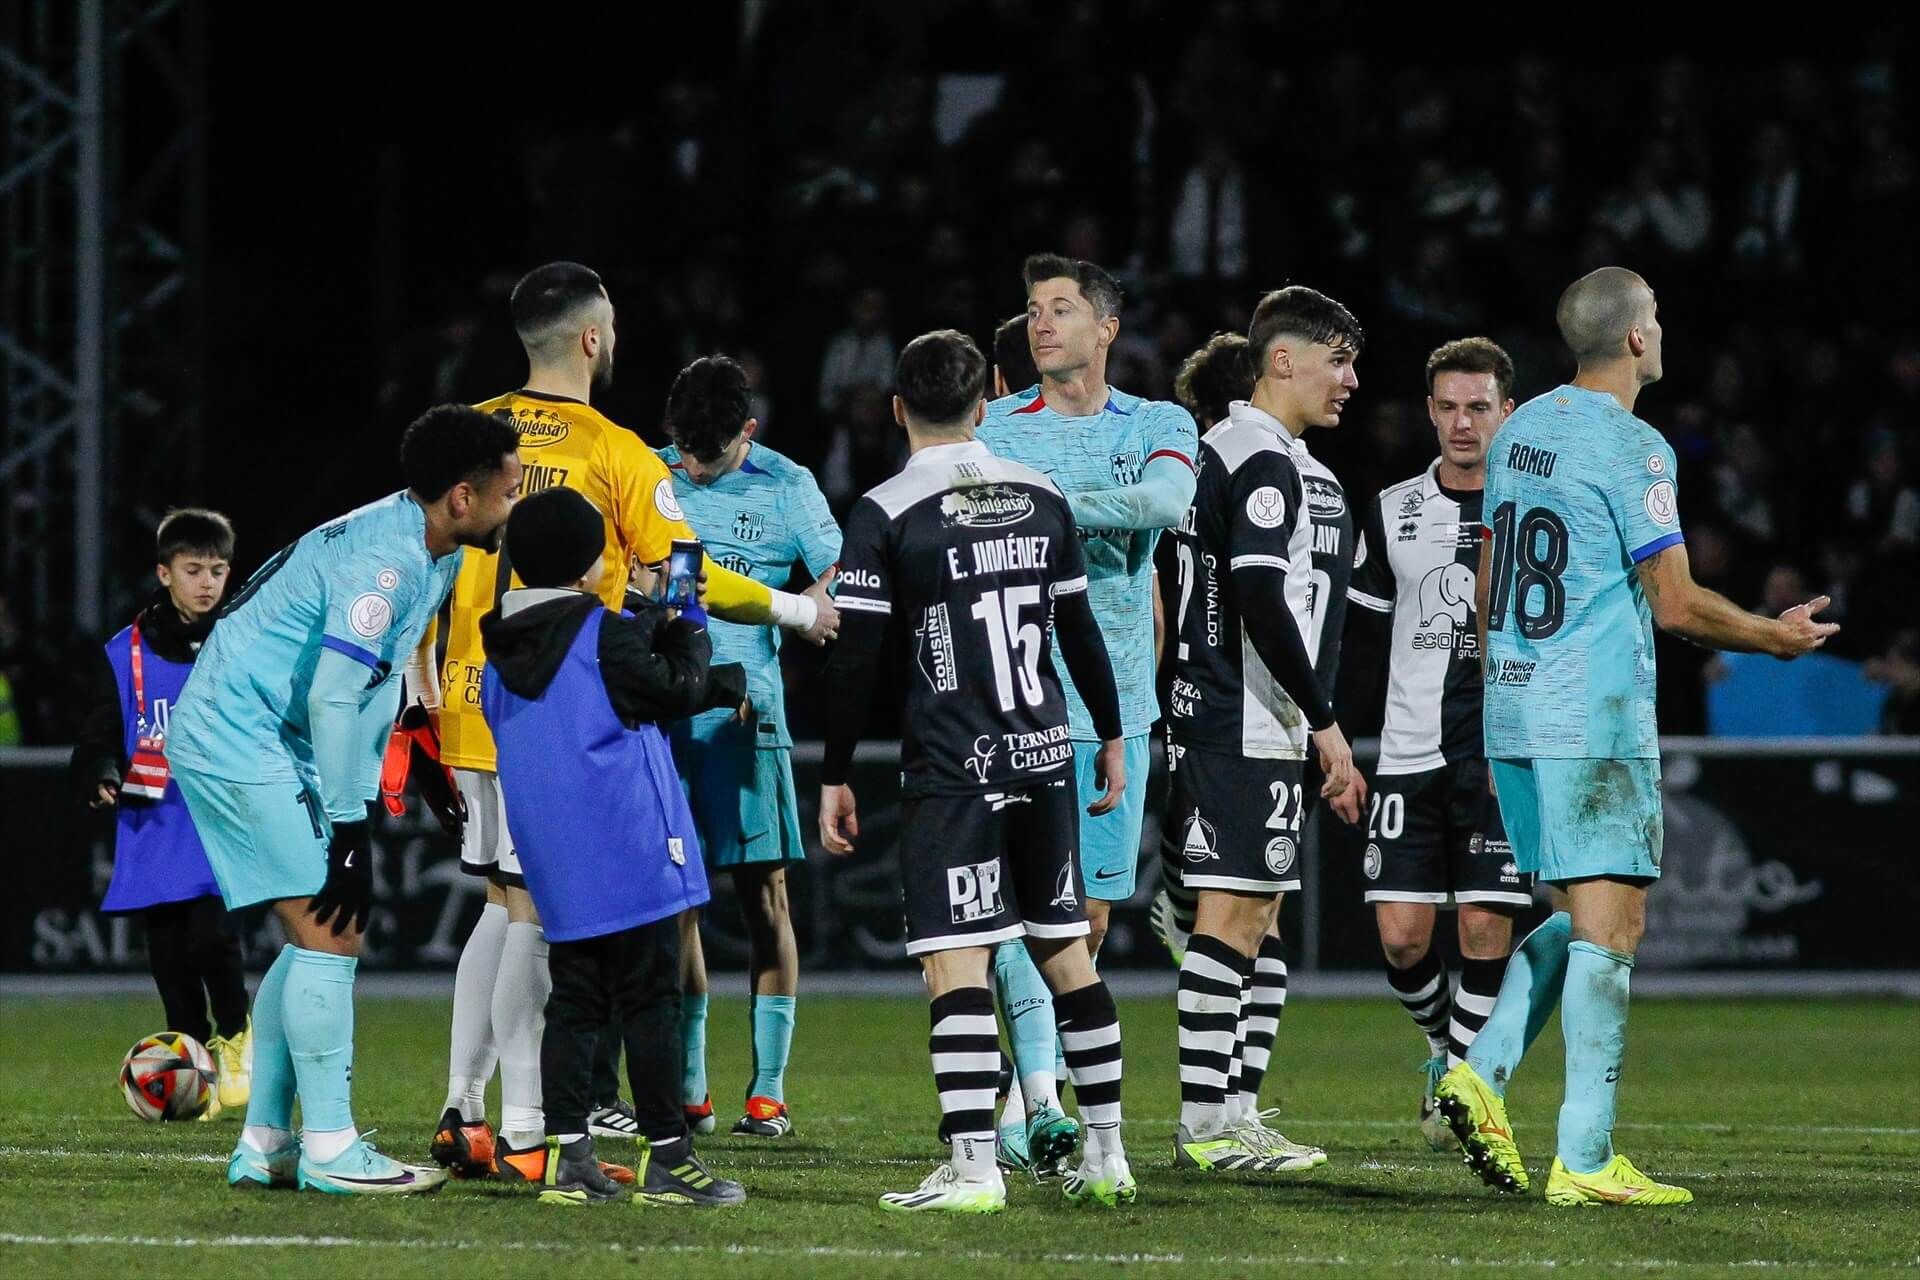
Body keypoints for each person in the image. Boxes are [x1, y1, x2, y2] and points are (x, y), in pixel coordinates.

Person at [425, 262, 838, 1181]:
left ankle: (463, 1107)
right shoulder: (616, 452)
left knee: (498, 902)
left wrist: (416, 686)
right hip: (558, 710)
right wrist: (792, 611)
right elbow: (685, 580)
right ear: (591, 337)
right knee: (540, 919)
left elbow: (427, 559)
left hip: (471, 695)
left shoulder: (472, 435)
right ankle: (528, 1135)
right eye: (610, 326)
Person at [1434, 267, 1837, 1207]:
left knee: (1582, 915)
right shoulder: (1634, 446)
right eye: (1655, 316)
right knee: (1613, 929)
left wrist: (1497, 693)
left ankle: (1479, 1073)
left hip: (1516, 706)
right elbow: (1676, 603)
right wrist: (1774, 637)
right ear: (1637, 339)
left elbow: (1489, 568)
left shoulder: (1520, 427)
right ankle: (1584, 1157)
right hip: (1591, 712)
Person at [168, 404, 521, 1194]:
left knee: (314, 935)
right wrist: (348, 826)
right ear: (461, 498)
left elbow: (375, 682)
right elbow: (332, 696)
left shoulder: (433, 547)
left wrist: (397, 774)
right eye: (509, 491)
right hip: (239, 733)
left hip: (265, 731)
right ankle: (330, 1146)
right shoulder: (388, 563)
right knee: (333, 931)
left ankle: (266, 1143)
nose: (516, 505)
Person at [820, 329, 1136, 1212]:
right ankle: (1109, 1156)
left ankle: (972, 1168)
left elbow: (856, 656)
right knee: (1066, 955)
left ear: (897, 409)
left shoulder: (886, 509)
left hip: (955, 768)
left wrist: (835, 771)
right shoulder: (1042, 494)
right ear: (986, 405)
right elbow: (1079, 629)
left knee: (954, 964)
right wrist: (1110, 733)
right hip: (1044, 753)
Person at [975, 255, 1197, 1173]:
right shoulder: (994, 426)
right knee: (1026, 917)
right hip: (1014, 704)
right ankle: (1036, 1103)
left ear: (1105, 329)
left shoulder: (1158, 422)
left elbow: (1167, 503)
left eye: (1061, 309)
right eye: (1033, 309)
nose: (1042, 323)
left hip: (1117, 713)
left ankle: (1033, 1095)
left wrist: (1055, 506)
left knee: (1091, 923)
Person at [481, 487, 748, 1207]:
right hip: (628, 840)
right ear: (585, 562)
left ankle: (569, 1158)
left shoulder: (498, 647)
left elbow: (600, 690)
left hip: (556, 853)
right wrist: (688, 625)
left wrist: (648, 626)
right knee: (651, 1000)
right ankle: (670, 1160)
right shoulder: (600, 632)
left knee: (575, 1003)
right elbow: (675, 688)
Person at [1157, 286, 1367, 1174]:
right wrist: (1326, 722)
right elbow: (1256, 596)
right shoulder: (1257, 457)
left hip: (1245, 720)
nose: (1350, 381)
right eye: (1338, 361)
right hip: (1240, 719)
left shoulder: (1250, 455)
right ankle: (1206, 1125)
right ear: (1282, 360)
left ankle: (1232, 1112)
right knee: (1233, 916)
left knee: (1257, 916)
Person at [1335, 338, 1532, 1149]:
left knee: (1484, 929)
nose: (1462, 422)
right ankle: (1445, 1053)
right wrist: (1339, 744)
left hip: (1500, 756)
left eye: (1478, 407)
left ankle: (1463, 1084)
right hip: (1408, 753)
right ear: (1429, 411)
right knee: (1402, 936)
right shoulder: (1392, 510)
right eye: (1448, 407)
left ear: (1507, 412)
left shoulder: (1535, 512)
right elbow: (1360, 643)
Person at [657, 354, 842, 1139]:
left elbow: (840, 576)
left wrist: (807, 610)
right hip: (662, 716)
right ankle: (690, 1088)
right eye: (686, 450)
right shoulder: (650, 474)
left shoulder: (787, 483)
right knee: (675, 903)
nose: (696, 467)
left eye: (713, 454)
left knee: (765, 901)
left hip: (748, 717)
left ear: (750, 431)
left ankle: (767, 1092)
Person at [72, 508, 251, 1116]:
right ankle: (195, 1073)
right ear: (164, 573)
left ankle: (238, 1035)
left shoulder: (244, 641)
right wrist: (101, 770)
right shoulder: (124, 650)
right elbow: (101, 727)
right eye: (193, 569)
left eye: (218, 570)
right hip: (154, 822)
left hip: (219, 819)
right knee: (170, 960)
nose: (207, 583)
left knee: (211, 938)